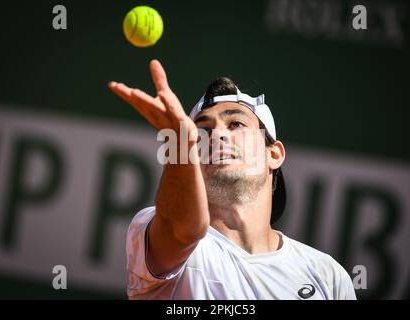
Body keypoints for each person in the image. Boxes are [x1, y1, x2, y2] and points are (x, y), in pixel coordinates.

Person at [108, 60, 356, 300]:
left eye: (236, 123)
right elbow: (182, 232)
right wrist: (181, 143)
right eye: (202, 131)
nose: (216, 134)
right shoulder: (157, 229)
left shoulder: (328, 277)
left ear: (274, 154)